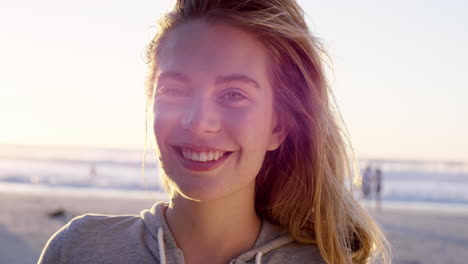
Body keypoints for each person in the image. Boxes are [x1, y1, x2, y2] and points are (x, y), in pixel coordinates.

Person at [38, 0, 390, 263]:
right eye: (175, 90)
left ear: (278, 126)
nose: (197, 120)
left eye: (233, 95)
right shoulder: (79, 250)